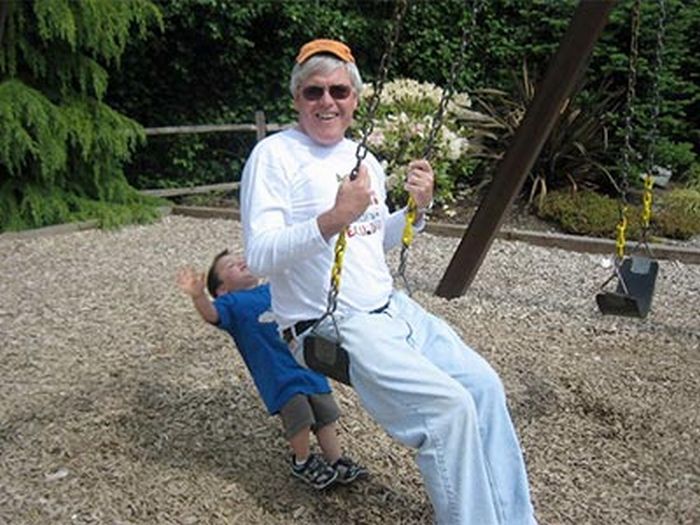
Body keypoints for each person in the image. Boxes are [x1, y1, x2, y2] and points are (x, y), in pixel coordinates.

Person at [240, 38, 537, 524]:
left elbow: (372, 237)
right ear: (296, 99)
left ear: (355, 100)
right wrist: (334, 217)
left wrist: (417, 211)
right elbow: (260, 256)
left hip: (392, 309)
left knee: (483, 386)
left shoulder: (365, 160)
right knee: (447, 410)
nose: (327, 102)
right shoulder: (274, 156)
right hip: (327, 321)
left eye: (339, 91)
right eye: (314, 92)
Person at [176, 249, 368, 490]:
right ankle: (303, 461)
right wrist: (198, 296)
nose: (241, 262)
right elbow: (212, 315)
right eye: (231, 266)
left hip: (306, 364)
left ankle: (336, 460)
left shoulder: (274, 289)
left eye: (240, 259)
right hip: (278, 374)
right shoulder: (230, 303)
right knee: (299, 415)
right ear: (222, 289)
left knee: (325, 414)